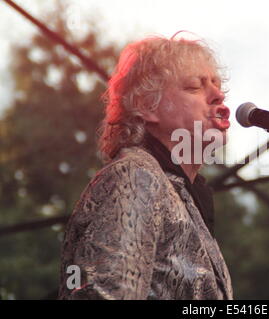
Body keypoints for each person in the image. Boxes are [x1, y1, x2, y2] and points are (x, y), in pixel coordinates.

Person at [58, 34, 233, 300]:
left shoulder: (180, 193)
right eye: (194, 87)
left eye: (217, 85)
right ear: (146, 106)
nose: (218, 95)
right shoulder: (134, 176)